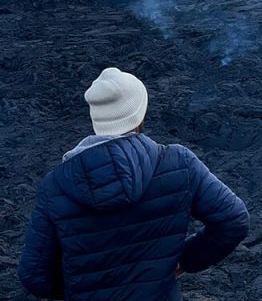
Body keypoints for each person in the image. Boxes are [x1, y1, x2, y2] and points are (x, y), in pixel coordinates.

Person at [17, 67, 249, 300]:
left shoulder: (55, 186)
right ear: (139, 114)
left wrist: (79, 288)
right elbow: (233, 220)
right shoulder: (179, 163)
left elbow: (33, 274)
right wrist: (184, 260)